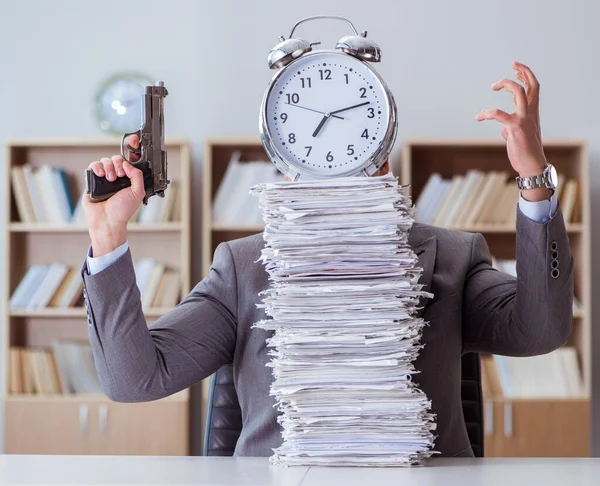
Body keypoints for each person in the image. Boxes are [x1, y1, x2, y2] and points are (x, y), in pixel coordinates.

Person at [81, 62, 572, 458]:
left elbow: (540, 329)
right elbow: (134, 380)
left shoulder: (453, 257)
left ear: (382, 161)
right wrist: (108, 236)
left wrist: (534, 180)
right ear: (287, 167)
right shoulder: (243, 266)